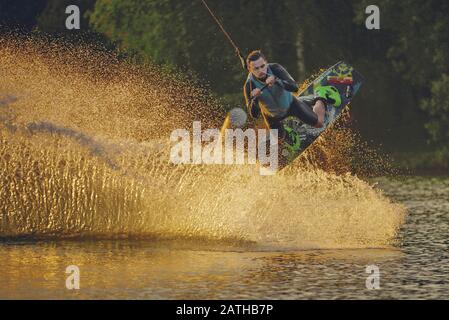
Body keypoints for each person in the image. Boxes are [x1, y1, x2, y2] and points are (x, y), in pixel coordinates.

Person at [243, 50, 327, 144]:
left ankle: (320, 97)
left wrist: (277, 81)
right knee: (279, 141)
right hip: (272, 117)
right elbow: (253, 115)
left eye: (262, 66)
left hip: (292, 105)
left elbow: (294, 87)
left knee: (319, 123)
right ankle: (294, 130)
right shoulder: (249, 85)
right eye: (256, 68)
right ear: (250, 69)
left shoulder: (275, 68)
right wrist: (255, 99)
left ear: (266, 63)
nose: (261, 71)